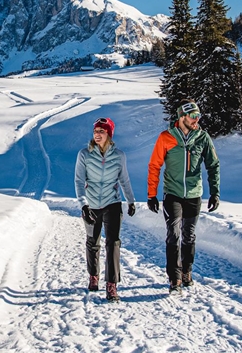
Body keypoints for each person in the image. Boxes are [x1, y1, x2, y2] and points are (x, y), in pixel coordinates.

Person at [147, 99, 220, 295]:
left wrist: (215, 192)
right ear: (182, 117)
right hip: (172, 194)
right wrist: (151, 195)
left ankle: (187, 271)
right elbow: (154, 165)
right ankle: (175, 277)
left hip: (194, 194)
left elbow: (213, 165)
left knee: (189, 235)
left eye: (199, 116)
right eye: (193, 116)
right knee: (174, 233)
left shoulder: (202, 138)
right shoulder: (166, 138)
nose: (197, 120)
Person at [75, 117, 136, 302]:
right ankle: (94, 275)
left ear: (109, 134)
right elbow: (78, 180)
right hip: (91, 204)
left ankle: (112, 285)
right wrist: (83, 204)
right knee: (93, 242)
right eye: (95, 131)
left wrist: (131, 201)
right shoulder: (84, 154)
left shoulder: (119, 156)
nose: (97, 134)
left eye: (101, 131)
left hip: (112, 203)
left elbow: (124, 179)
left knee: (113, 243)